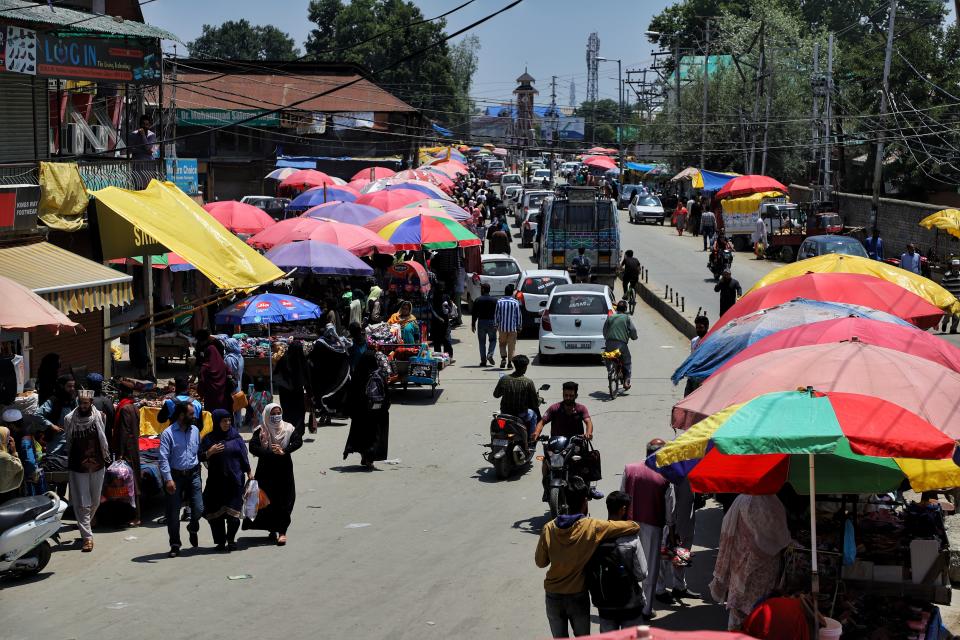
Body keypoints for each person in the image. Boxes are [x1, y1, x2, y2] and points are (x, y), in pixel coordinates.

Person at [534, 478, 641, 638]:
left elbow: (540, 562)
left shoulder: (549, 528)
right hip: (577, 595)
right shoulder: (592, 527)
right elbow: (633, 526)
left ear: (564, 501)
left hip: (552, 595)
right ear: (585, 501)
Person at [710, 494, 792, 629]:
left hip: (740, 565)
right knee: (759, 612)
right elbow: (781, 537)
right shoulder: (770, 502)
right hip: (762, 569)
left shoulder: (742, 499)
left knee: (738, 610)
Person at [620, 440, 673, 621]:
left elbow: (622, 496)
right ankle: (646, 609)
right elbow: (669, 509)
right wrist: (671, 528)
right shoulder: (665, 476)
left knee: (631, 564)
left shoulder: (629, 469)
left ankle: (633, 602)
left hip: (630, 524)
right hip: (653, 526)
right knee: (650, 567)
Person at [588, 491, 647, 632]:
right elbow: (642, 574)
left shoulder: (595, 537)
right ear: (623, 510)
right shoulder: (632, 539)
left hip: (605, 603)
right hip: (630, 603)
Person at [532, 382, 600, 500]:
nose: (568, 398)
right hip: (557, 443)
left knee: (587, 461)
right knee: (546, 463)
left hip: (576, 443)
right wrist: (536, 432)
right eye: (566, 395)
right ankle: (546, 489)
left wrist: (588, 433)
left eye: (571, 395)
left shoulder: (581, 408)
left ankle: (589, 488)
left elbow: (588, 422)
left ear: (576, 395)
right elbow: (542, 421)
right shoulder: (554, 408)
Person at [246, 403, 302, 545]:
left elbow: (298, 441)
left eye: (278, 413)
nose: (276, 416)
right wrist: (270, 453)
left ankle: (282, 531)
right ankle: (271, 528)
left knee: (285, 499)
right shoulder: (261, 430)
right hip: (266, 469)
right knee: (267, 500)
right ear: (267, 415)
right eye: (273, 413)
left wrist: (284, 451)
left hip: (284, 469)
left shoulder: (288, 428)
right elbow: (253, 446)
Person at [64, 390, 110, 552]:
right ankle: (87, 537)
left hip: (97, 463)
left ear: (91, 402)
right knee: (83, 503)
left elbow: (103, 438)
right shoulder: (69, 419)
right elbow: (68, 441)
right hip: (79, 466)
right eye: (80, 402)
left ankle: (84, 525)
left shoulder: (100, 417)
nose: (83, 406)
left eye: (86, 403)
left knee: (95, 501)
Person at [200, 408, 251, 552]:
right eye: (224, 421)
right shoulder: (208, 439)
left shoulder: (236, 437)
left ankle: (231, 540)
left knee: (233, 514)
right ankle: (221, 541)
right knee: (214, 514)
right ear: (216, 422)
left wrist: (249, 472)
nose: (228, 423)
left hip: (235, 481)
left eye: (229, 420)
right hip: (216, 482)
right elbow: (199, 456)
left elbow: (243, 456)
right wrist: (209, 452)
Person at [158, 402, 203, 557]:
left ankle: (192, 527)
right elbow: (163, 458)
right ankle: (175, 544)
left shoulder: (196, 430)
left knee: (199, 508)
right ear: (182, 415)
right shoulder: (168, 433)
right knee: (173, 513)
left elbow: (198, 452)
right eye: (191, 414)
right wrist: (168, 479)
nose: (194, 417)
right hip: (175, 476)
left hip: (194, 474)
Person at [343, 351, 390, 468]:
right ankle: (369, 459)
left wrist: (350, 410)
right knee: (374, 435)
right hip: (375, 411)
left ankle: (365, 456)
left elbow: (350, 394)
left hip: (360, 412)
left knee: (361, 435)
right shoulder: (378, 374)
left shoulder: (357, 374)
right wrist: (385, 407)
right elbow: (386, 394)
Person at [112, 383, 142, 525]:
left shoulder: (124, 408)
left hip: (127, 450)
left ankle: (134, 516)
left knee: (129, 483)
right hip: (134, 447)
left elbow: (123, 432)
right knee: (134, 480)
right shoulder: (134, 407)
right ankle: (135, 515)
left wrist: (121, 454)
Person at [493, 354, 540, 436]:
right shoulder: (528, 382)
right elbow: (535, 403)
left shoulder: (504, 379)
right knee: (534, 416)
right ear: (525, 367)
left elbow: (496, 395)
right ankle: (531, 440)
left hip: (505, 413)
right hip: (521, 415)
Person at [274, 340, 311, 437]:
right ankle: (298, 432)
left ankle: (288, 431)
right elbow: (307, 378)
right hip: (297, 392)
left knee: (287, 411)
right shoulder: (302, 360)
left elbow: (276, 375)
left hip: (285, 393)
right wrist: (310, 392)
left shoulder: (284, 359)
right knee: (299, 412)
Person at [603, 300, 638, 390]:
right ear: (625, 309)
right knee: (627, 361)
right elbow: (633, 330)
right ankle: (626, 381)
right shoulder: (626, 318)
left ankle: (610, 372)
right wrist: (634, 337)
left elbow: (604, 331)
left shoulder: (610, 317)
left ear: (617, 308)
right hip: (621, 344)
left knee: (607, 357)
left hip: (609, 343)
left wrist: (607, 338)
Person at [198, 337, 231, 414]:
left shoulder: (205, 367)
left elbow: (201, 383)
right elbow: (229, 375)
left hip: (210, 399)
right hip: (223, 399)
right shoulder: (223, 365)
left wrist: (201, 394)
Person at [494, 284, 523, 369]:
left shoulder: (499, 302)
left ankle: (503, 358)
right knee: (511, 346)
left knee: (502, 344)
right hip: (512, 328)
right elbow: (518, 315)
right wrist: (519, 326)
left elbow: (496, 315)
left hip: (502, 328)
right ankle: (510, 363)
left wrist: (496, 325)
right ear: (511, 293)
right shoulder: (515, 302)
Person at [471, 282, 498, 366]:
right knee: (493, 340)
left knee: (482, 343)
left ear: (483, 290)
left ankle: (483, 361)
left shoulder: (478, 300)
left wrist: (473, 324)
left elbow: (474, 313)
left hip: (481, 322)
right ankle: (490, 354)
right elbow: (497, 313)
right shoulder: (494, 300)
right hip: (491, 322)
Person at [684, 315, 710, 396]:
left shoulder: (711, 341)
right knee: (687, 398)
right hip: (692, 376)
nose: (698, 330)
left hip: (703, 377)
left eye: (701, 327)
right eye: (697, 327)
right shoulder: (694, 341)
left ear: (707, 327)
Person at [429, 282, 454, 359]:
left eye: (442, 288)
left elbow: (450, 308)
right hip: (436, 322)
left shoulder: (446, 296)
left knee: (446, 340)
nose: (441, 290)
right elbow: (431, 308)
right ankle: (438, 358)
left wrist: (447, 309)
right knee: (437, 341)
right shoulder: (432, 297)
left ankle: (448, 356)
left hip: (445, 322)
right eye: (440, 288)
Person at [223, 338, 245, 425]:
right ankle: (238, 424)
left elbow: (230, 373)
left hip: (232, 386)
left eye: (227, 345)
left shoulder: (230, 358)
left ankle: (234, 426)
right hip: (238, 384)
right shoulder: (240, 356)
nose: (225, 346)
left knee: (232, 406)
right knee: (237, 406)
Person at [940, 258, 960, 333]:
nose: (956, 267)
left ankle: (953, 329)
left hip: (958, 298)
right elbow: (943, 286)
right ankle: (944, 323)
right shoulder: (947, 275)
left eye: (957, 266)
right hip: (950, 298)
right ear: (952, 267)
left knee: (957, 315)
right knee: (948, 314)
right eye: (955, 266)